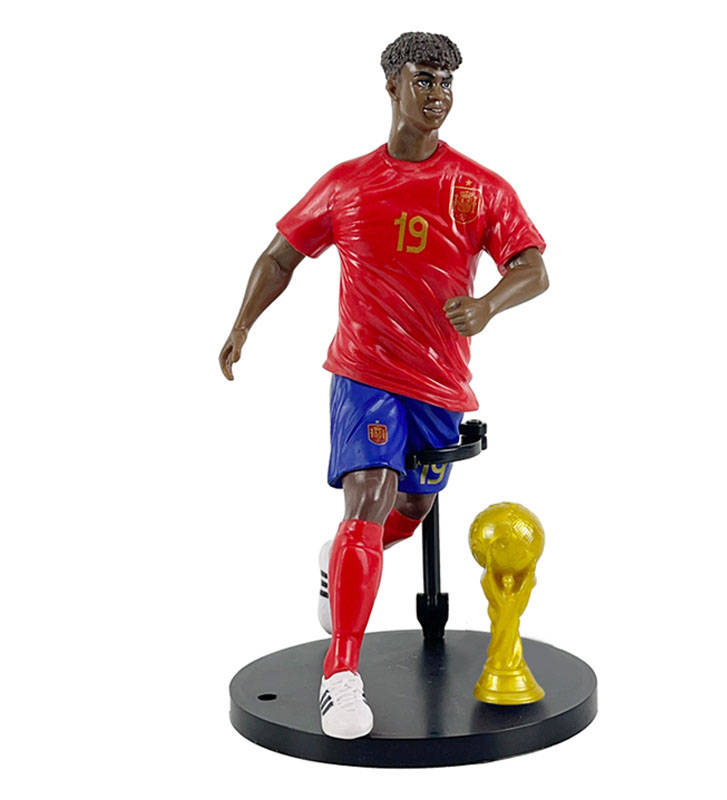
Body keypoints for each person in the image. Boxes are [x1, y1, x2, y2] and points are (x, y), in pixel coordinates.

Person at [219, 31, 549, 739]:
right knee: (368, 496)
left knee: (414, 506)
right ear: (392, 85)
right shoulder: (348, 183)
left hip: (439, 383)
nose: (437, 96)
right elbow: (280, 257)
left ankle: (339, 559)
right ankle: (341, 675)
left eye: (447, 84)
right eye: (424, 80)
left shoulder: (479, 187)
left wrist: (489, 305)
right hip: (364, 374)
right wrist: (243, 324)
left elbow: (533, 266)